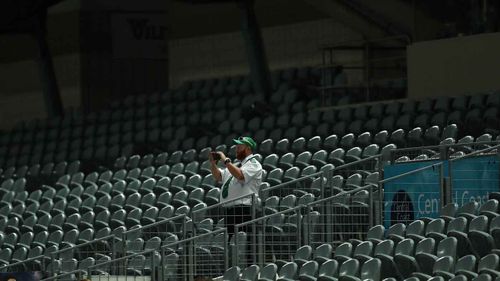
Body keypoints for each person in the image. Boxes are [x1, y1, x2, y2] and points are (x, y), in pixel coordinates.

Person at [209, 136, 263, 237]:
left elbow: (240, 175)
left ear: (248, 148)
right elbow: (219, 177)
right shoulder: (237, 165)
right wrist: (213, 164)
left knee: (243, 243)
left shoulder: (254, 164)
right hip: (230, 211)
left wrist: (225, 160)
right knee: (232, 244)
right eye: (236, 146)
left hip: (243, 210)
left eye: (239, 146)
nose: (236, 148)